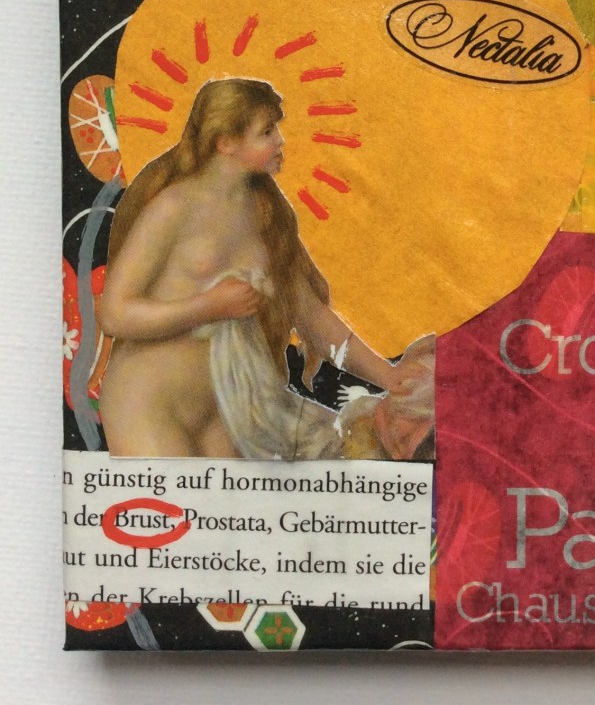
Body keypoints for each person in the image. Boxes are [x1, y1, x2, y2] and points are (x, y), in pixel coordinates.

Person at [98, 77, 434, 460]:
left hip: (226, 411)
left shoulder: (266, 215)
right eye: (266, 132)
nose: (280, 141)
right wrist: (208, 306)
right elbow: (114, 314)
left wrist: (387, 375)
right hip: (150, 402)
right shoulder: (173, 207)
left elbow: (310, 315)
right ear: (226, 142)